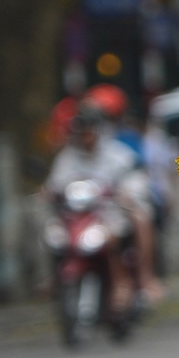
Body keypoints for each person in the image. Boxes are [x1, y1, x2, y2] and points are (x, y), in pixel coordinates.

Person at [45, 114, 162, 306]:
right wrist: (49, 192)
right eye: (81, 133)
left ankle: (142, 278)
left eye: (89, 132)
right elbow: (55, 183)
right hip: (78, 217)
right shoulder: (67, 157)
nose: (86, 138)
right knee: (52, 234)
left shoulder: (117, 154)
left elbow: (135, 178)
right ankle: (53, 279)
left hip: (111, 212)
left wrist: (127, 192)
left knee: (140, 218)